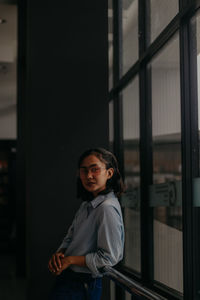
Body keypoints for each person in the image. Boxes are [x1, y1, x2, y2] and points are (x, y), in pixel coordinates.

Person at [48, 148, 125, 300]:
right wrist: (60, 254)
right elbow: (70, 237)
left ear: (109, 173)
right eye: (84, 171)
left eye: (94, 169)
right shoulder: (87, 205)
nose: (88, 176)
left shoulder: (106, 208)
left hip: (83, 282)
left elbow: (110, 258)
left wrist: (70, 260)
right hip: (69, 277)